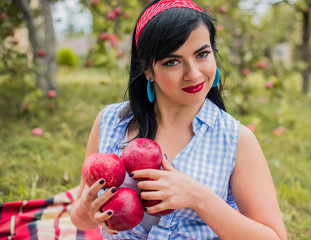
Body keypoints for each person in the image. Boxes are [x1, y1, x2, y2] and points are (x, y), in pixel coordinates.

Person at [70, 0, 288, 239]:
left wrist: (198, 198)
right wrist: (87, 210)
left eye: (202, 54)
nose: (193, 74)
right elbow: (81, 219)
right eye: (172, 62)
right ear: (148, 70)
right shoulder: (111, 123)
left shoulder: (235, 140)